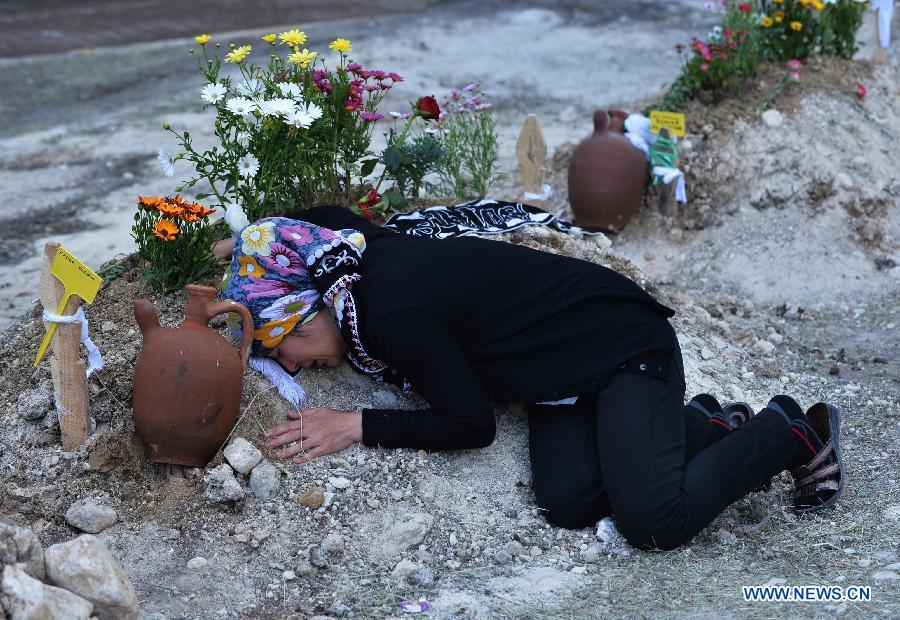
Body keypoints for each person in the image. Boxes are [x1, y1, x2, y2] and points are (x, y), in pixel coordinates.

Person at [221, 205, 844, 550]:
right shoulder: (355, 254)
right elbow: (316, 217)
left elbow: (471, 424)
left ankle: (786, 432)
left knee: (654, 520)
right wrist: (241, 241)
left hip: (624, 345)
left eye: (284, 346)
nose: (293, 365)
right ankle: (706, 426)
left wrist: (356, 424)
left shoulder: (390, 322)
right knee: (569, 500)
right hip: (560, 373)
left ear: (310, 309)